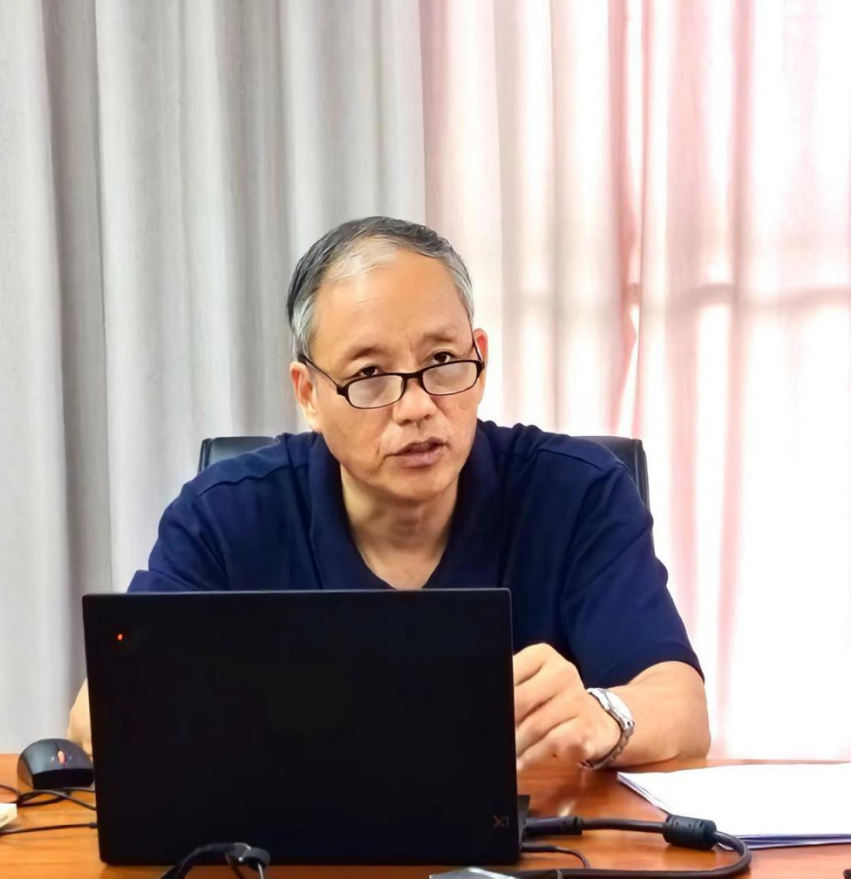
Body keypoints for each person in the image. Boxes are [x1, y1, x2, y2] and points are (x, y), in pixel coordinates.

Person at [68, 217, 709, 769]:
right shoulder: (228, 513)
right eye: (371, 375)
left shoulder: (576, 492)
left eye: (443, 362)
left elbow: (681, 707)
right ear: (309, 394)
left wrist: (606, 715)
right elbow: (97, 713)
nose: (417, 406)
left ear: (480, 358)